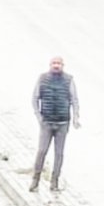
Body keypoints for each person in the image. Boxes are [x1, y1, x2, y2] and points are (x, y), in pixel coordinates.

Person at [29, 56, 80, 192]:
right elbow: (34, 99)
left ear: (63, 65)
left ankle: (54, 182)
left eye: (58, 63)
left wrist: (75, 117)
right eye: (54, 63)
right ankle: (35, 180)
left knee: (59, 154)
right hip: (46, 122)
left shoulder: (69, 80)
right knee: (42, 151)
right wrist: (39, 117)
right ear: (50, 64)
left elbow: (74, 99)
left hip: (62, 123)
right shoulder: (42, 78)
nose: (56, 65)